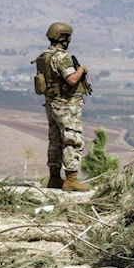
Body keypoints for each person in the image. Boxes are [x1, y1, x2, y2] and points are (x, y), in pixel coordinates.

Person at [37, 22, 92, 192]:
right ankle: (71, 179)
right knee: (72, 139)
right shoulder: (61, 57)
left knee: (55, 140)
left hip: (52, 103)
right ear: (64, 38)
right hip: (66, 105)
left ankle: (54, 177)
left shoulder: (44, 56)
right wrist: (81, 70)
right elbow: (72, 80)